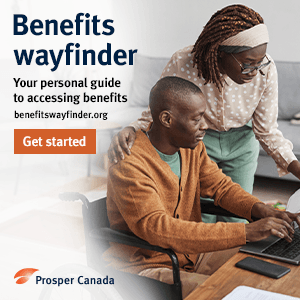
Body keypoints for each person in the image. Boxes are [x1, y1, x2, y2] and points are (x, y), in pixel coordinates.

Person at [104, 76, 300, 299]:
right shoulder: (129, 162)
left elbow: (221, 188)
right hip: (148, 267)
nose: (205, 126)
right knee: (231, 292)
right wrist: (246, 231)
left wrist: (261, 209)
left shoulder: (190, 148)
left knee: (271, 258)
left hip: (193, 255)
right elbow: (159, 228)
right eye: (196, 119)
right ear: (167, 119)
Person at [107, 4, 300, 224]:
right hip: (197, 143)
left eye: (259, 63)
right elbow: (160, 108)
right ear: (220, 51)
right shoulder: (184, 62)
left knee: (239, 218)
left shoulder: (265, 70)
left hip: (242, 144)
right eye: (247, 64)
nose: (254, 72)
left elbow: (267, 130)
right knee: (199, 216)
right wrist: (132, 128)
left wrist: (297, 168)